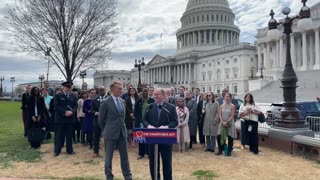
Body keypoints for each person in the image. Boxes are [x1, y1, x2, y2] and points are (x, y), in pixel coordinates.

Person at [99, 81, 132, 180]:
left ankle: (127, 176)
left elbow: (123, 118)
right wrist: (105, 130)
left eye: (122, 89)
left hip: (122, 132)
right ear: (113, 90)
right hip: (110, 133)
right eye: (119, 89)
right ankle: (109, 176)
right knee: (109, 157)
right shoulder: (106, 102)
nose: (122, 91)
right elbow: (101, 119)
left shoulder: (123, 101)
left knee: (125, 157)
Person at [143, 88, 178, 180]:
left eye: (157, 94)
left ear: (163, 96)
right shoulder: (150, 106)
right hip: (152, 139)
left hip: (166, 139)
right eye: (154, 94)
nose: (155, 96)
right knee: (153, 163)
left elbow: (175, 122)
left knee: (167, 163)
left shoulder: (170, 107)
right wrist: (149, 126)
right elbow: (144, 120)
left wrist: (166, 127)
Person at [54, 81, 78, 157]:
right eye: (67, 87)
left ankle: (69, 150)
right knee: (59, 136)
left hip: (70, 119)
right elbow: (56, 106)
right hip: (61, 119)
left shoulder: (73, 96)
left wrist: (72, 112)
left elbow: (75, 106)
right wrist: (64, 112)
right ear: (63, 87)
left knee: (69, 136)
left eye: (70, 87)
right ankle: (57, 151)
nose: (68, 88)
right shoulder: (58, 96)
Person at [134, 88, 155, 160]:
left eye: (146, 91)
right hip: (140, 122)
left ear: (148, 92)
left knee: (149, 138)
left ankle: (149, 153)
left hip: (149, 123)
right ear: (142, 93)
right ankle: (141, 153)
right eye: (144, 91)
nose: (145, 92)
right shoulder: (139, 101)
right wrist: (139, 119)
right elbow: (135, 111)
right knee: (140, 138)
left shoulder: (152, 101)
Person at [91, 86, 106, 157]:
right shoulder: (94, 100)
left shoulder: (108, 99)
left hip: (106, 122)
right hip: (97, 121)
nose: (102, 92)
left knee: (107, 137)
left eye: (103, 90)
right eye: (101, 90)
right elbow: (92, 110)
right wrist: (96, 113)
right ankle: (95, 151)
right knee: (96, 137)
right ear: (98, 91)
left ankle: (108, 152)